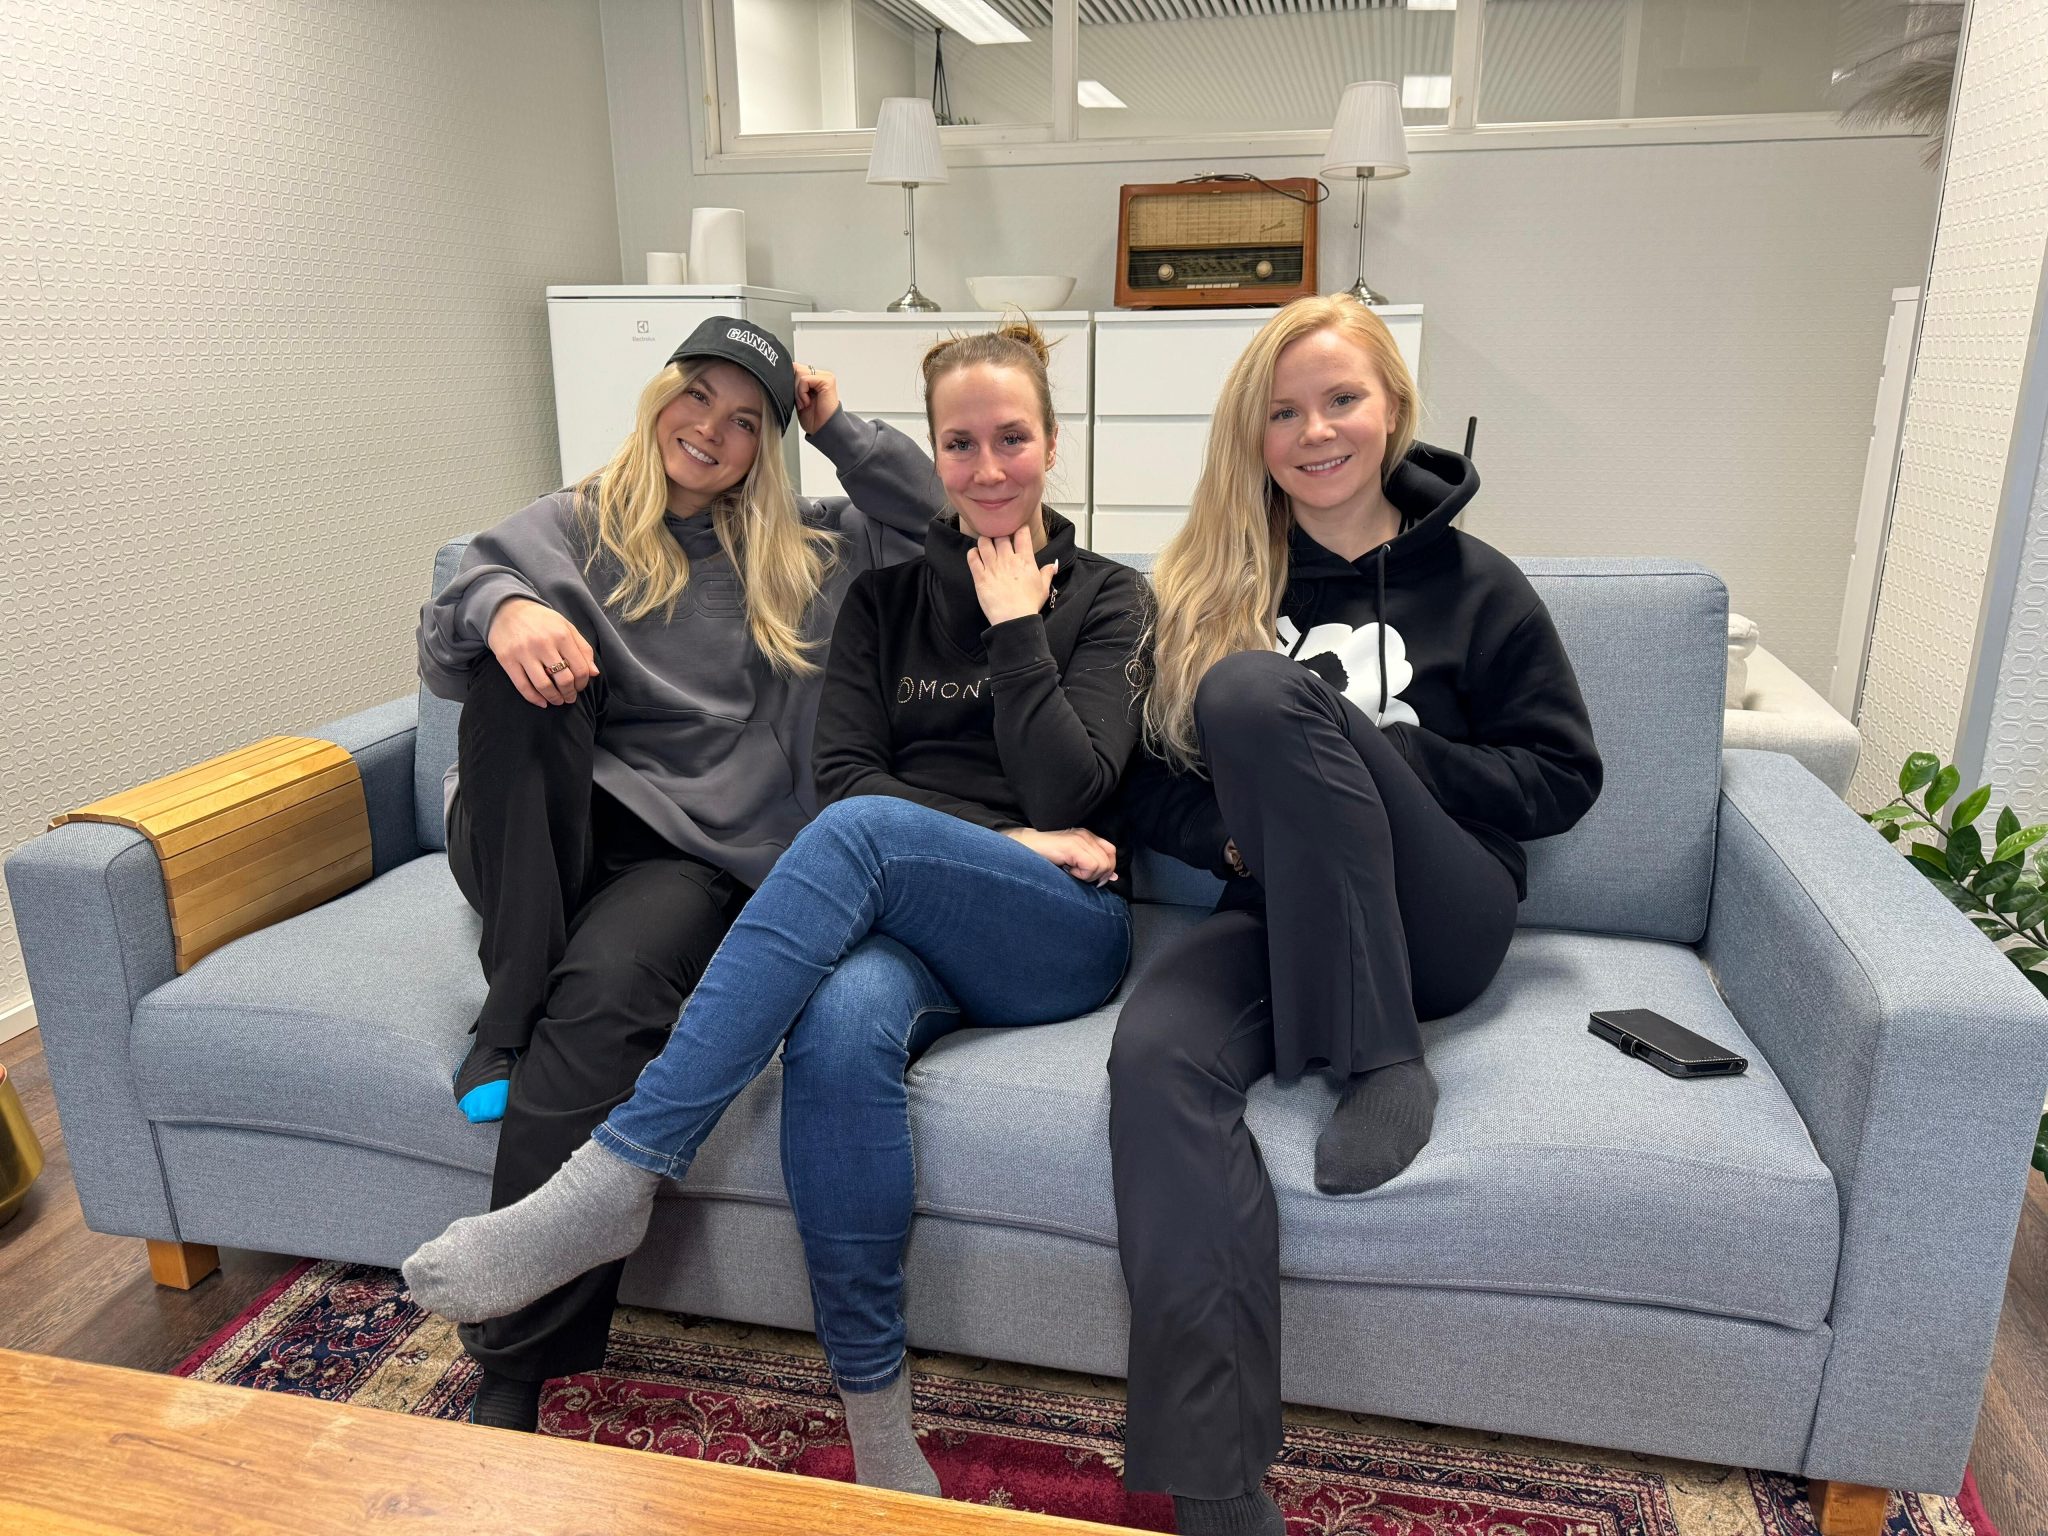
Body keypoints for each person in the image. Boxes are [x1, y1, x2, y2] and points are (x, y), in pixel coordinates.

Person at [404, 319, 1149, 1494]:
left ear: (1054, 445)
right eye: (958, 443)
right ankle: (878, 1427)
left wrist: (1006, 620)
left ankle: (618, 1172)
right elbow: (846, 775)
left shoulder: (1098, 594)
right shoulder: (872, 596)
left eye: (1012, 438)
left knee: (837, 846)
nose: (985, 466)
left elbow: (1069, 791)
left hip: (1043, 913)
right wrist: (504, 605)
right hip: (853, 906)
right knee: (835, 1031)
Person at [1109, 294, 1602, 1536]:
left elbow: (1561, 777)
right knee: (1154, 1057)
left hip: (1441, 917)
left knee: (1256, 693)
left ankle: (1383, 1058)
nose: (1314, 431)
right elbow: (1142, 787)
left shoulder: (1477, 587)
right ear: (1252, 435)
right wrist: (1236, 840)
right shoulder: (1210, 581)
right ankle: (1218, 1491)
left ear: (1392, 410)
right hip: (1281, 911)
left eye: (1341, 400)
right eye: (1282, 412)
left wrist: (1388, 756)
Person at [414, 314, 947, 1432]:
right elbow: (451, 615)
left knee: (606, 993)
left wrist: (836, 426)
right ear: (660, 398)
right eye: (697, 396)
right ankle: (508, 1009)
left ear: (766, 448)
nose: (711, 428)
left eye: (746, 421)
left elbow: (937, 523)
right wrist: (507, 607)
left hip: (684, 860)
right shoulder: (575, 522)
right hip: (538, 833)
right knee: (515, 670)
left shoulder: (807, 549)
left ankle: (514, 1376)